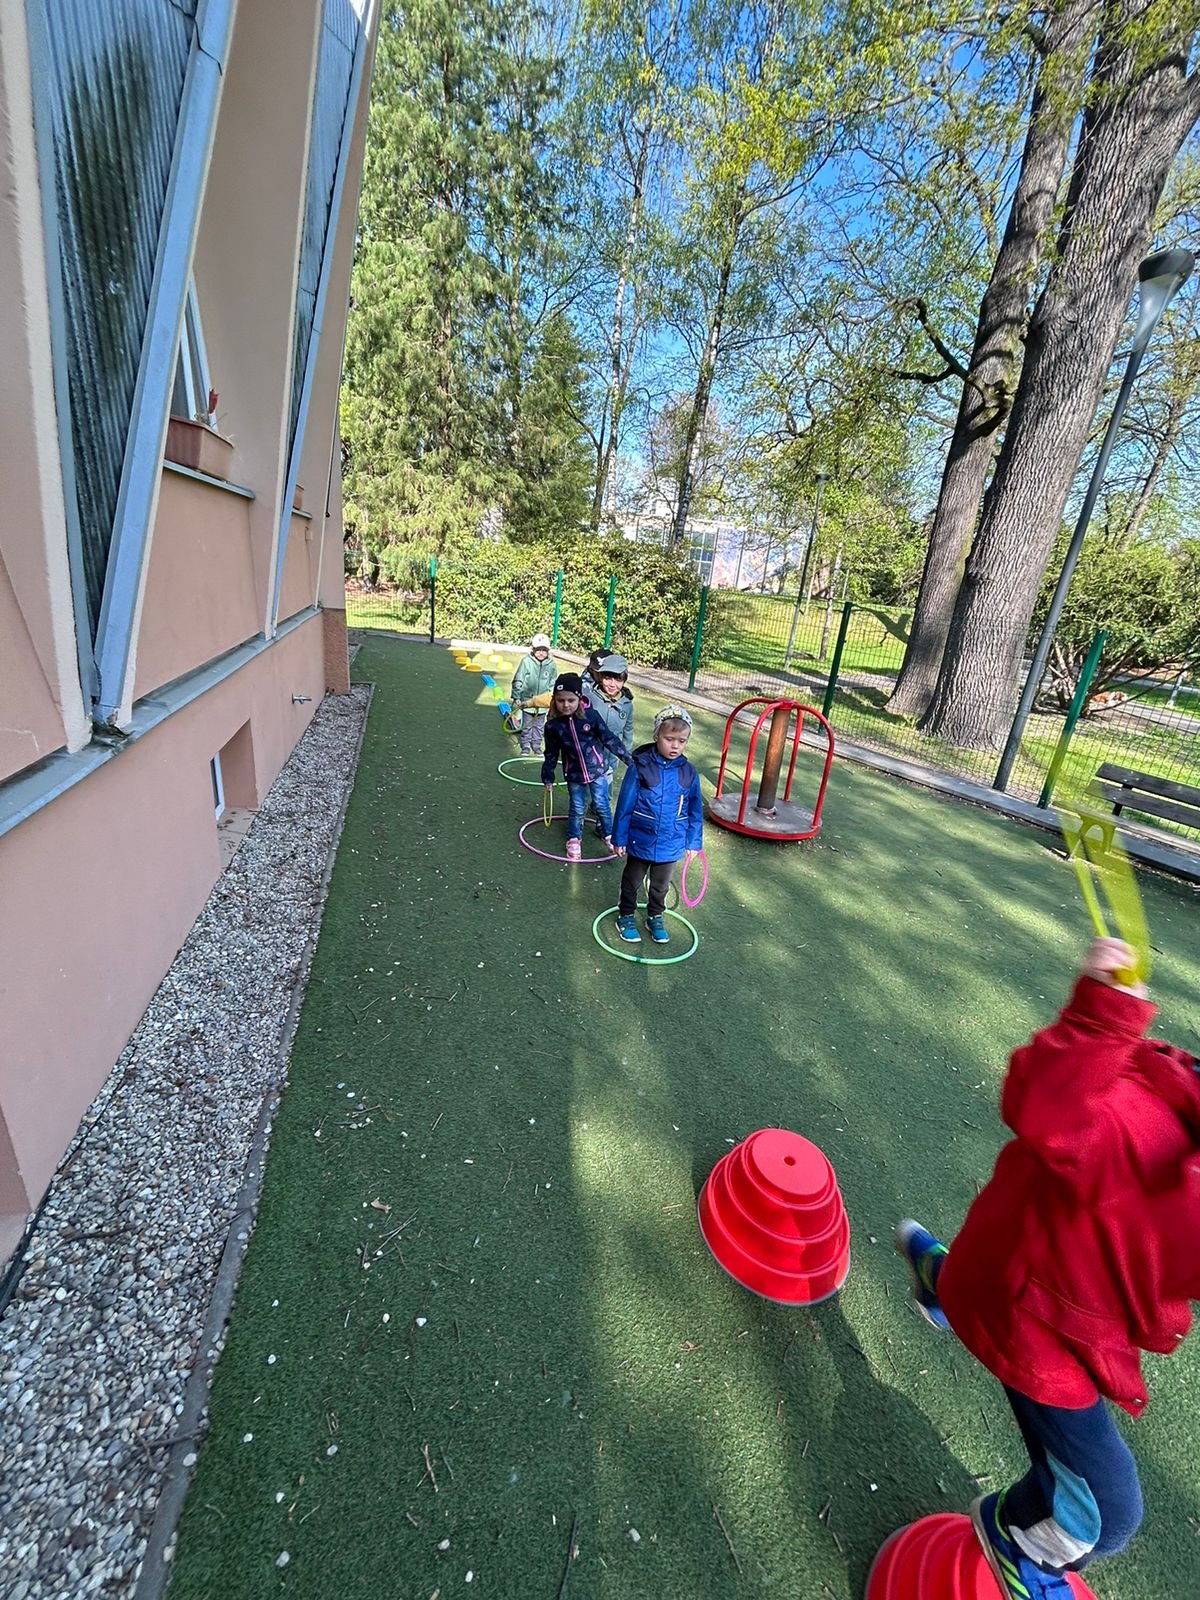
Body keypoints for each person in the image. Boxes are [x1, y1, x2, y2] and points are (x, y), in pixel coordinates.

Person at [895, 936, 1200, 1599]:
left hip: (1020, 1276)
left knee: (971, 1286)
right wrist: (1102, 1018)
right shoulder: (1147, 1125)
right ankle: (1014, 1534)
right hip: (1033, 1316)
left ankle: (939, 1275)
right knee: (1105, 1515)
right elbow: (1041, 1102)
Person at [610, 705, 704, 945]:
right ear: (656, 736)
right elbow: (625, 804)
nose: (675, 746)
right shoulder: (640, 766)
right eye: (669, 739)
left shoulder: (689, 772)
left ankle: (655, 916)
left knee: (661, 885)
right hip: (640, 837)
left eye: (681, 741)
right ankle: (626, 915)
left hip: (671, 842)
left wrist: (694, 842)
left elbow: (695, 810)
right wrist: (619, 837)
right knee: (632, 881)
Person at [540, 673, 631, 861]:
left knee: (602, 804)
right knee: (577, 807)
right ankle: (574, 838)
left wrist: (628, 759)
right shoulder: (553, 726)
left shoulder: (590, 716)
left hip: (598, 771)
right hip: (574, 775)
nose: (566, 705)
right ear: (554, 700)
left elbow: (609, 739)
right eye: (561, 700)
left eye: (571, 700)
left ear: (579, 698)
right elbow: (551, 754)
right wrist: (548, 777)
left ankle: (609, 835)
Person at [581, 653, 635, 836]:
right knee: (584, 790)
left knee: (606, 792)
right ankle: (578, 820)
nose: (612, 684)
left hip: (611, 758)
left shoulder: (627, 705)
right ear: (600, 677)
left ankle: (601, 821)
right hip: (589, 757)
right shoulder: (589, 697)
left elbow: (628, 731)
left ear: (624, 680)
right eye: (608, 678)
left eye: (618, 679)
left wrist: (625, 752)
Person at [511, 632, 557, 756]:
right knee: (527, 725)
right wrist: (516, 696)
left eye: (544, 650)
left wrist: (552, 699)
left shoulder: (551, 665)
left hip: (542, 703)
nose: (541, 653)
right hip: (527, 701)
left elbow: (553, 682)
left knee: (539, 726)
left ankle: (536, 745)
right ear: (533, 649)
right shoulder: (526, 662)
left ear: (548, 651)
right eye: (538, 650)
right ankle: (525, 745)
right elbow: (518, 678)